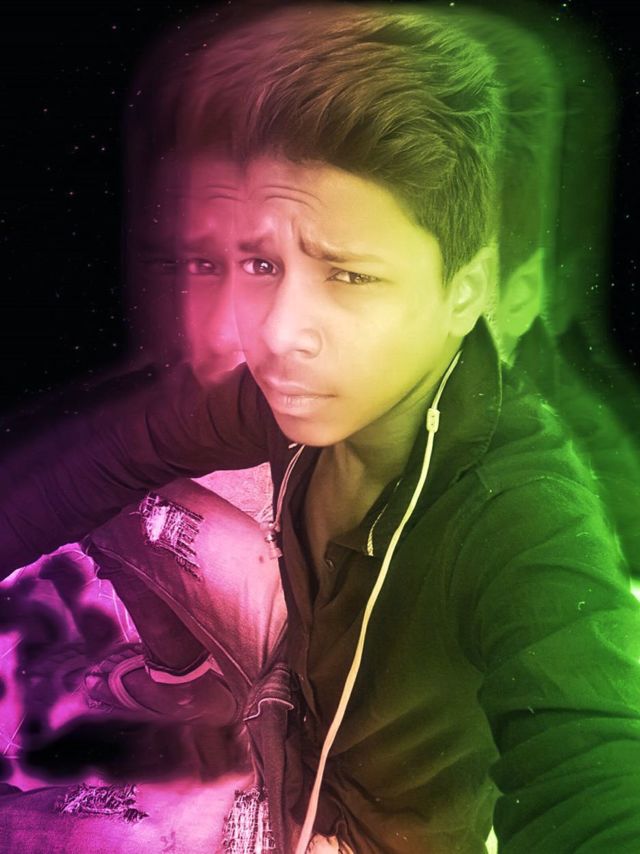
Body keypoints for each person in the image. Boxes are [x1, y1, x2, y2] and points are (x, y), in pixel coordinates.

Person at [2, 3, 640, 852]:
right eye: (266, 263)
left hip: (334, 832)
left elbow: (594, 773)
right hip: (290, 681)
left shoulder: (523, 516)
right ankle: (184, 680)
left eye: (349, 275)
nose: (275, 331)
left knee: (32, 828)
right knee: (124, 492)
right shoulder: (307, 389)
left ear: (465, 290)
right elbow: (122, 446)